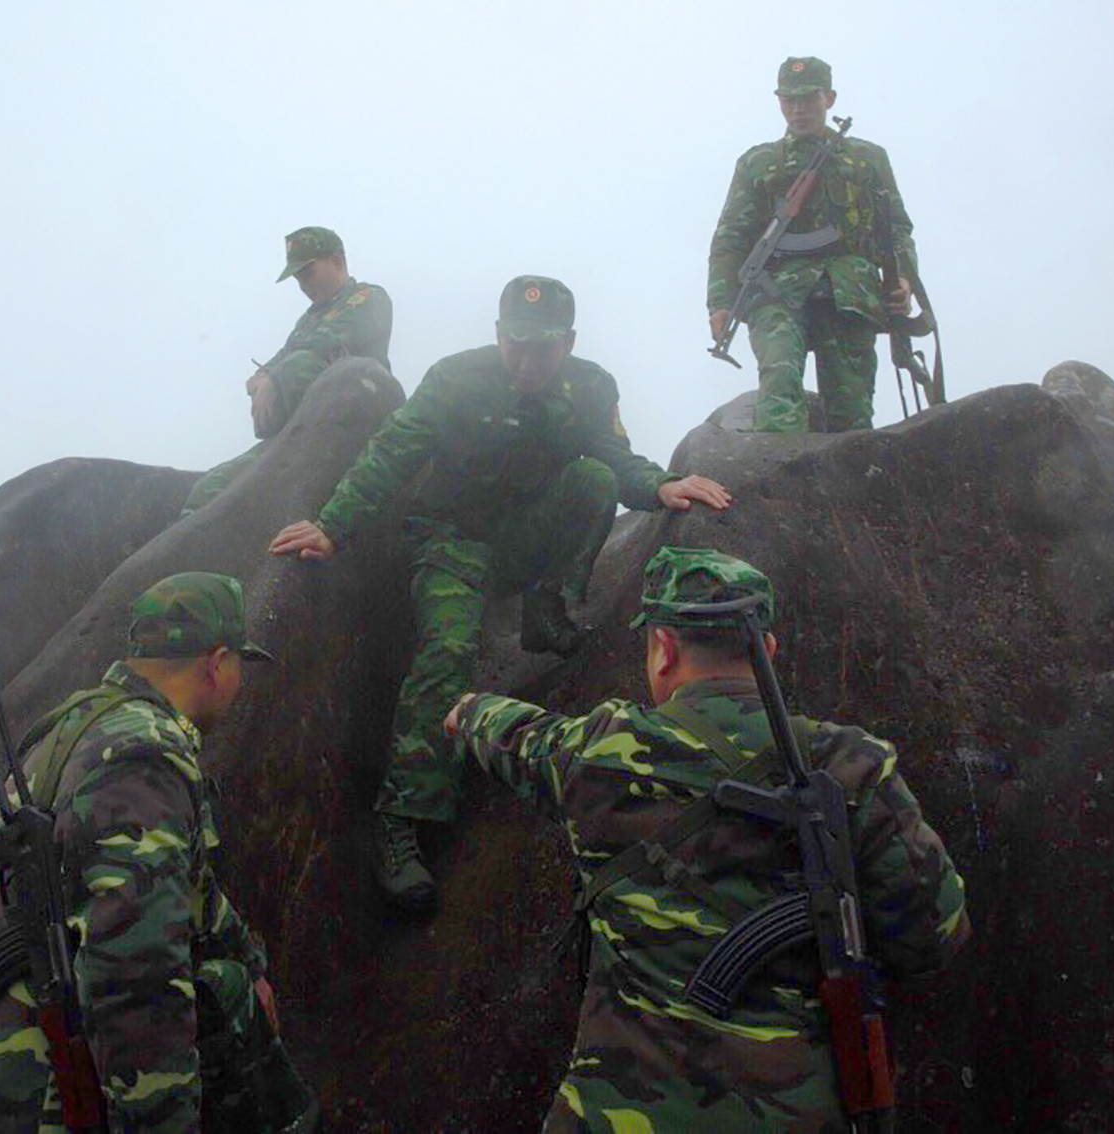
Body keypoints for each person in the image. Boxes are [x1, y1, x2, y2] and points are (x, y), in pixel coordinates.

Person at [445, 546, 971, 1130]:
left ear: (663, 647)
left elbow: (519, 735)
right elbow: (934, 937)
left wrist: (467, 709)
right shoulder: (852, 766)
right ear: (768, 648)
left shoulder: (600, 750)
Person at [268, 277, 733, 912]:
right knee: (448, 650)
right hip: (450, 539)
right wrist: (332, 525)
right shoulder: (455, 379)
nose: (527, 360)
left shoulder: (590, 388)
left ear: (568, 343)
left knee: (594, 481)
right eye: (516, 343)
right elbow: (393, 450)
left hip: (523, 538)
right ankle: (404, 818)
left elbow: (612, 456)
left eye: (542, 347)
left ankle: (547, 606)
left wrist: (660, 485)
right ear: (496, 334)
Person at [0, 572, 316, 1132]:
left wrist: (252, 964)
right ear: (216, 664)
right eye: (239, 663)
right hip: (45, 1065)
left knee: (232, 984)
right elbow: (137, 982)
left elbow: (190, 887)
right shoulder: (145, 758)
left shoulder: (83, 721)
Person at [708, 56, 918, 434]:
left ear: (829, 98)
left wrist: (903, 280)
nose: (798, 109)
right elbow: (731, 237)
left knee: (851, 413)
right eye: (789, 100)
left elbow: (897, 228)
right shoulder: (758, 163)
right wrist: (720, 302)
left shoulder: (867, 158)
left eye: (808, 98)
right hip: (776, 291)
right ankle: (779, 471)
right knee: (779, 394)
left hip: (851, 292)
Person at [181, 225, 394, 516]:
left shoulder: (368, 297)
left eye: (308, 273)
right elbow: (276, 362)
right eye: (297, 278)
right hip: (297, 432)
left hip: (353, 424)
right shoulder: (307, 321)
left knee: (299, 365)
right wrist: (263, 379)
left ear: (336, 262)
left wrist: (273, 377)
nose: (302, 285)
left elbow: (322, 345)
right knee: (211, 487)